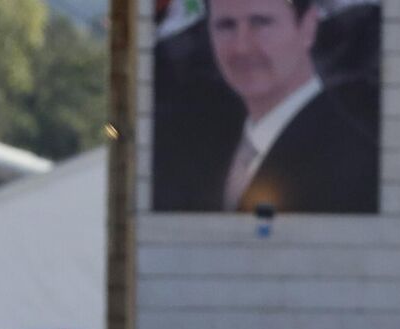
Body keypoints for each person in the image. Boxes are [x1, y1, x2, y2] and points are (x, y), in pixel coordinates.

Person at [154, 0, 380, 213]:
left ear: (308, 26)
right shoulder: (197, 126)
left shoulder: (353, 158)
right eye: (226, 26)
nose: (241, 47)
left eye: (261, 23)